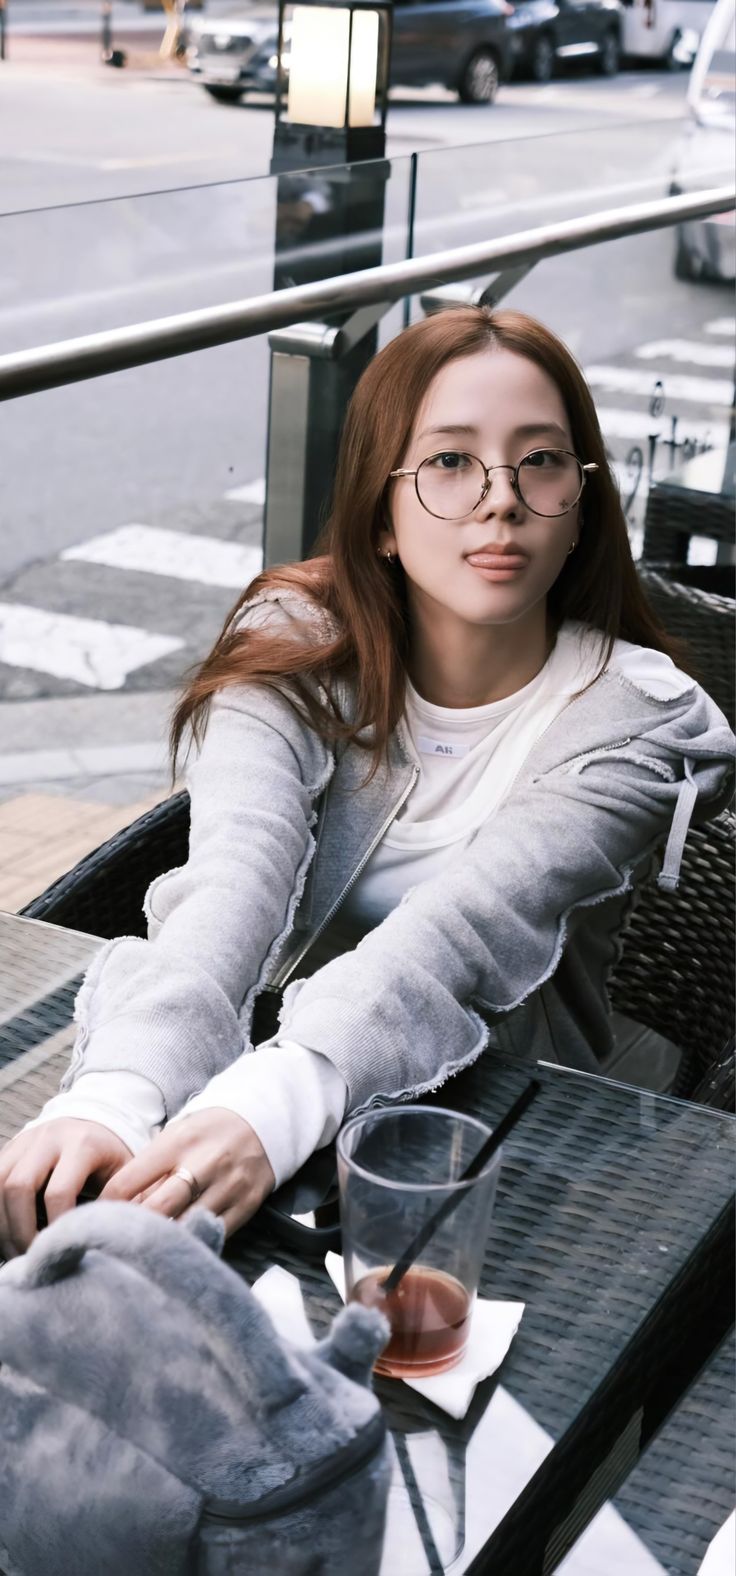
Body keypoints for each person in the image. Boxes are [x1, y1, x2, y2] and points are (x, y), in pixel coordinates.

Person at [0, 306, 733, 1259]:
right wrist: (120, 1091)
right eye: (449, 462)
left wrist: (274, 1102)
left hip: (515, 1113)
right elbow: (236, 873)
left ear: (583, 505)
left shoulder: (636, 720)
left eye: (541, 460)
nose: (501, 498)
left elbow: (465, 932)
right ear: (380, 515)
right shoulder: (293, 642)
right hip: (265, 1064)